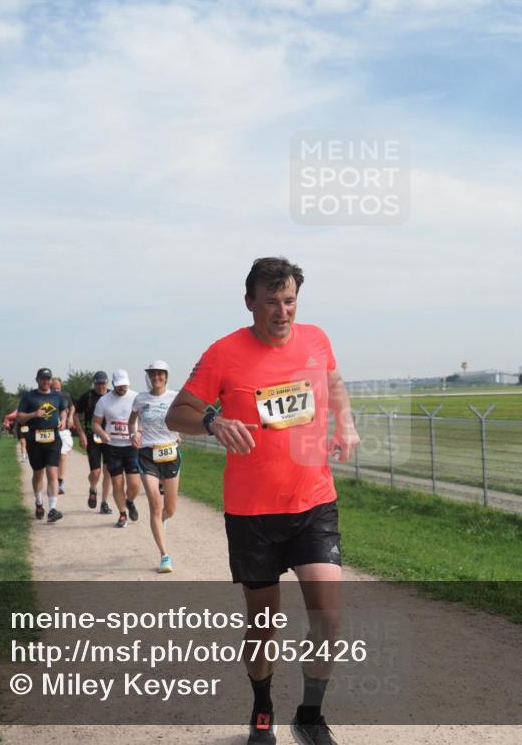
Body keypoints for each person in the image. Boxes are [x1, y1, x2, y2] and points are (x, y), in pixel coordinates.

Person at [166, 257, 360, 745]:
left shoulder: (316, 340)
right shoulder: (224, 353)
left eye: (290, 300)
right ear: (249, 302)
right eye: (271, 301)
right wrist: (213, 421)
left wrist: (346, 423)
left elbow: (333, 381)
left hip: (313, 502)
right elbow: (177, 413)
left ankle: (309, 716)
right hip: (253, 514)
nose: (282, 311)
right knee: (264, 625)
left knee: (329, 619)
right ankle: (262, 708)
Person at [128, 360, 181, 573]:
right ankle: (164, 556)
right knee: (155, 505)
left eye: (160, 374)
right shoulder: (140, 399)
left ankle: (163, 520)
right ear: (148, 377)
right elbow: (132, 419)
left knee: (170, 509)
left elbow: (182, 418)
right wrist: (134, 433)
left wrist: (179, 433)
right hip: (147, 453)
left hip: (170, 452)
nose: (156, 377)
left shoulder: (175, 397)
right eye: (152, 374)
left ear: (166, 376)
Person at [17, 368, 68, 523]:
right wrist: (33, 414)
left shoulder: (57, 396)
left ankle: (52, 510)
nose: (46, 381)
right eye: (43, 379)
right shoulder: (29, 397)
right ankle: (39, 503)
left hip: (53, 438)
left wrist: (64, 420)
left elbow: (63, 410)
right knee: (38, 474)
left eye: (48, 378)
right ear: (37, 380)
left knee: (52, 473)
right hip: (35, 439)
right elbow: (19, 417)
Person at [91, 370, 140, 528]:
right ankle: (122, 514)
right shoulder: (104, 401)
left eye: (124, 385)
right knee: (117, 483)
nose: (122, 388)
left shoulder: (136, 398)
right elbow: (95, 423)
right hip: (112, 447)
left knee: (134, 484)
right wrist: (103, 434)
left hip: (131, 446)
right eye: (119, 386)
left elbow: (144, 420)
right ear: (113, 384)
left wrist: (138, 433)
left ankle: (130, 501)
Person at [75, 371, 113, 513]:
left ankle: (104, 503)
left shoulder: (112, 395)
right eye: (98, 383)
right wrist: (81, 434)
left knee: (108, 471)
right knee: (96, 472)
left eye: (103, 383)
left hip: (109, 438)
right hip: (93, 437)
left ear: (107, 383)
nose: (101, 386)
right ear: (94, 383)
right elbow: (76, 414)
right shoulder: (88, 396)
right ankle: (93, 489)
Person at [50, 377, 75, 496]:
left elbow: (72, 407)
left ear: (61, 387)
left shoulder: (65, 396)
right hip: (49, 430)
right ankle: (52, 480)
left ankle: (60, 481)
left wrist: (70, 417)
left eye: (58, 388)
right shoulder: (45, 397)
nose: (56, 390)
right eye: (53, 388)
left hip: (63, 430)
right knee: (52, 458)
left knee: (63, 456)